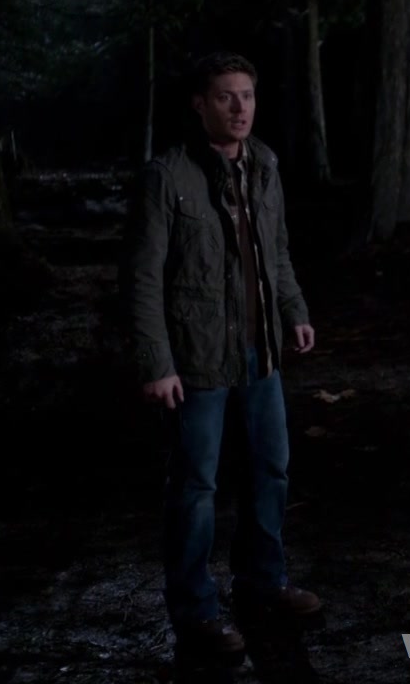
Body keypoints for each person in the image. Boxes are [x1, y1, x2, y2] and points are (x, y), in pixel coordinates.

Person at [123, 51, 323, 662]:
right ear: (200, 104)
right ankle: (196, 611)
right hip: (197, 356)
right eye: (225, 97)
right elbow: (142, 277)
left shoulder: (264, 164)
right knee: (195, 486)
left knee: (271, 469)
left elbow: (276, 251)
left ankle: (263, 582)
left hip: (260, 352)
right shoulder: (167, 176)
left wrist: (294, 310)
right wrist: (157, 363)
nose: (240, 108)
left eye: (248, 96)